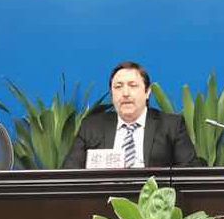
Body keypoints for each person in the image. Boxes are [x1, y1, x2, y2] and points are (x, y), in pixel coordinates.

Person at [65, 61, 200, 168]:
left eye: (133, 85)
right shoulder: (91, 127)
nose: (125, 93)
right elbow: (69, 174)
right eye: (118, 87)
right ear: (112, 95)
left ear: (147, 92)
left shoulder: (171, 126)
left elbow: (190, 174)